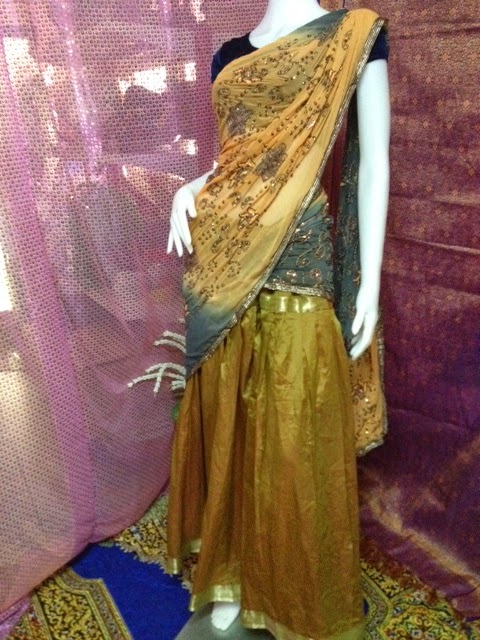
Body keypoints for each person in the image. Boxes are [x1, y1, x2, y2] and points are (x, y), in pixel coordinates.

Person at [166, 1, 390, 638]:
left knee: (296, 429)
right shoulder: (227, 55)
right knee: (230, 421)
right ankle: (231, 572)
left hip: (301, 254)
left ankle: (291, 585)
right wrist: (190, 187)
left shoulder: (354, 34)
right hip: (222, 257)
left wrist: (369, 282)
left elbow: (375, 163)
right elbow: (240, 159)